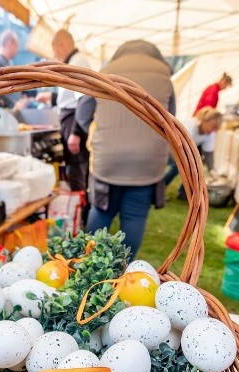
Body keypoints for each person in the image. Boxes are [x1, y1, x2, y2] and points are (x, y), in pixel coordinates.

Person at [73, 40, 175, 261]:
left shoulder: (105, 73)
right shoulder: (165, 77)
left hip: (108, 160)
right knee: (135, 217)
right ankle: (122, 270)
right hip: (146, 162)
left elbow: (82, 116)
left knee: (101, 211)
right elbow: (171, 122)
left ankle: (87, 264)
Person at [35, 29, 92, 207]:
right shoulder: (72, 63)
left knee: (77, 170)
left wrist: (76, 132)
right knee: (75, 169)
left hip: (75, 122)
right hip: (71, 120)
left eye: (55, 49)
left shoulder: (78, 62)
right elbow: (69, 98)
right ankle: (78, 210)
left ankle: (80, 212)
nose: (55, 55)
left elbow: (85, 99)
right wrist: (51, 98)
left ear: (62, 45)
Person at [165, 107, 224, 196]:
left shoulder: (209, 134)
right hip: (171, 145)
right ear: (204, 121)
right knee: (176, 169)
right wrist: (184, 162)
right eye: (212, 127)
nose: (213, 131)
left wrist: (211, 168)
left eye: (216, 129)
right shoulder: (189, 126)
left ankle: (183, 193)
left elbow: (208, 153)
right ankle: (159, 191)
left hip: (186, 148)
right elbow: (175, 144)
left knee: (195, 169)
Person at [0, 30, 22, 110]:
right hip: (2, 110)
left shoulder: (4, 62)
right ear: (9, 43)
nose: (17, 50)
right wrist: (13, 104)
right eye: (16, 46)